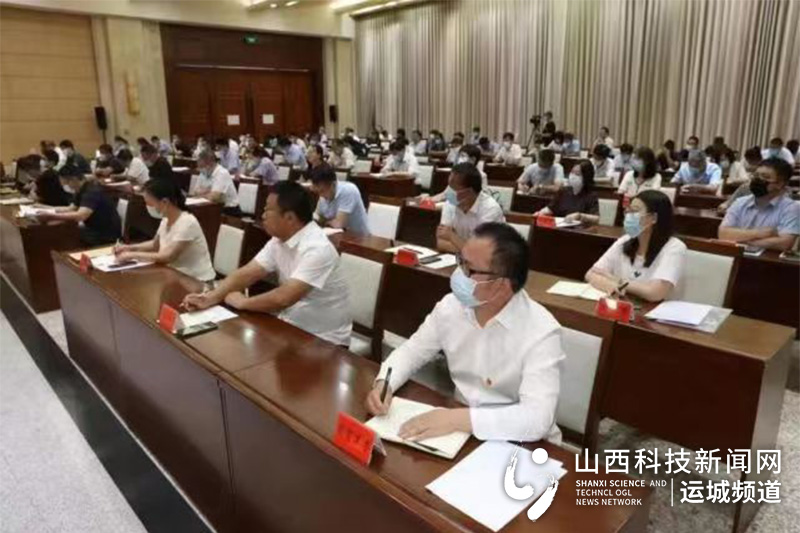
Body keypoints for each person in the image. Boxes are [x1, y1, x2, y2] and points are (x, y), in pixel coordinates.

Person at [366, 222, 564, 442]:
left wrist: (457, 419)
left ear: (501, 285)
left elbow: (536, 419)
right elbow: (412, 351)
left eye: (469, 269)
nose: (458, 274)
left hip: (519, 442)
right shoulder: (451, 306)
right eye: (460, 261)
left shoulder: (541, 331)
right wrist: (384, 383)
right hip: (460, 430)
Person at [182, 181, 352, 346]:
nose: (263, 215)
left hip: (324, 340)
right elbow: (248, 273)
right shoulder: (278, 240)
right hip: (291, 325)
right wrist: (211, 297)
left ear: (289, 217)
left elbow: (284, 298)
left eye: (267, 210)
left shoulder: (317, 248)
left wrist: (244, 302)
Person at [586, 190, 686, 302]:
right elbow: (591, 274)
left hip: (655, 309)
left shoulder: (675, 247)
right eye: (628, 211)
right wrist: (611, 285)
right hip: (623, 304)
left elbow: (655, 293)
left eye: (635, 211)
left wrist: (618, 281)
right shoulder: (624, 240)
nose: (628, 216)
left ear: (653, 218)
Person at [113, 179, 215, 281]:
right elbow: (155, 245)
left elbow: (168, 256)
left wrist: (132, 255)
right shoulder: (166, 219)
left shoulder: (187, 222)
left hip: (197, 279)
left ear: (165, 202)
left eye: (150, 204)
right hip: (174, 274)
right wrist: (129, 248)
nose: (148, 208)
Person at [718, 158, 799, 251]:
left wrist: (741, 240)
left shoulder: (791, 208)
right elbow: (723, 234)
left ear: (780, 184)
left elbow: (784, 243)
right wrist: (761, 233)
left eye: (765, 177)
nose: (758, 180)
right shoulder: (740, 202)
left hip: (767, 259)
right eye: (756, 175)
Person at [36, 164, 121, 246]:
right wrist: (45, 208)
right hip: (93, 229)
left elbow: (80, 216)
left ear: (73, 179)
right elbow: (70, 208)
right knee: (59, 231)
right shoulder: (80, 189)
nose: (65, 187)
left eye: (66, 184)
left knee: (62, 235)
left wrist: (52, 216)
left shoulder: (91, 192)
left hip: (104, 235)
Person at [437, 163, 505, 253]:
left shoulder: (490, 209)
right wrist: (465, 249)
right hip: (459, 258)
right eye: (449, 186)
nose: (448, 192)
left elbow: (481, 252)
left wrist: (451, 236)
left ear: (469, 191)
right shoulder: (450, 202)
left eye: (453, 188)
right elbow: (440, 242)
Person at [310, 165, 369, 236]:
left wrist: (324, 221)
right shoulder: (323, 194)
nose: (321, 195)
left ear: (333, 184)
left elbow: (339, 224)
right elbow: (317, 216)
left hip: (359, 238)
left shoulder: (348, 190)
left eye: (322, 191)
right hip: (336, 236)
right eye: (318, 192)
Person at [534, 161, 599, 224]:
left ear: (586, 177)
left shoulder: (591, 195)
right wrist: (540, 213)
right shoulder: (564, 191)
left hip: (579, 228)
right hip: (559, 226)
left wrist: (579, 216)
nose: (573, 176)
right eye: (572, 172)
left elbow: (596, 219)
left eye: (577, 174)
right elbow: (551, 208)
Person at [191, 150, 241, 216]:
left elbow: (214, 197)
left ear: (210, 164)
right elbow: (195, 192)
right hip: (210, 207)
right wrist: (209, 191)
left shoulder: (222, 173)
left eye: (202, 166)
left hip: (229, 211)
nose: (200, 169)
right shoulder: (203, 173)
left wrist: (202, 193)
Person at [717, 147, 762, 213]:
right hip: (724, 196)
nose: (723, 161)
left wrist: (732, 181)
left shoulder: (737, 165)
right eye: (721, 159)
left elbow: (745, 179)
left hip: (735, 194)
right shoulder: (717, 168)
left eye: (724, 159)